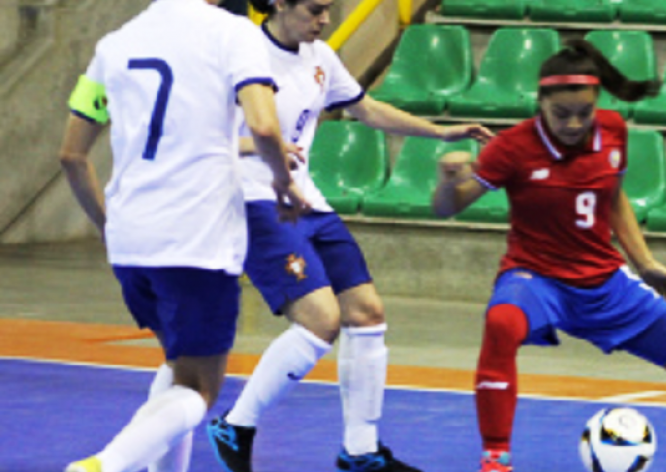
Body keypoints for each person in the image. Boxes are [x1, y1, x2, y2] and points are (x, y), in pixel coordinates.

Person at [431, 40, 666, 472]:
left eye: (583, 113)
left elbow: (612, 198)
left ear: (597, 105)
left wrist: (644, 262)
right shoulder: (512, 147)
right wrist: (446, 180)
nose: (573, 123)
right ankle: (496, 459)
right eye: (561, 114)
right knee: (501, 324)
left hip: (604, 281)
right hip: (537, 279)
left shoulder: (613, 131)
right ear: (541, 105)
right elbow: (447, 207)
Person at [204, 1, 494, 472]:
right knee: (321, 319)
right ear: (279, 4)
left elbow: (368, 109)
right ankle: (236, 424)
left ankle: (360, 451)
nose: (325, 20)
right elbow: (196, 134)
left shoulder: (319, 56)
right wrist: (262, 145)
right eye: (316, 9)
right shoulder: (240, 53)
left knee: (366, 312)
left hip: (308, 200)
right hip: (254, 198)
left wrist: (441, 132)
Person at [59, 0, 306, 471]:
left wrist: (111, 228)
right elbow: (263, 124)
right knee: (199, 388)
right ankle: (104, 466)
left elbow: (71, 155)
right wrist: (283, 184)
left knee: (179, 366)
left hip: (131, 240)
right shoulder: (234, 34)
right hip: (197, 239)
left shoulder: (114, 44)